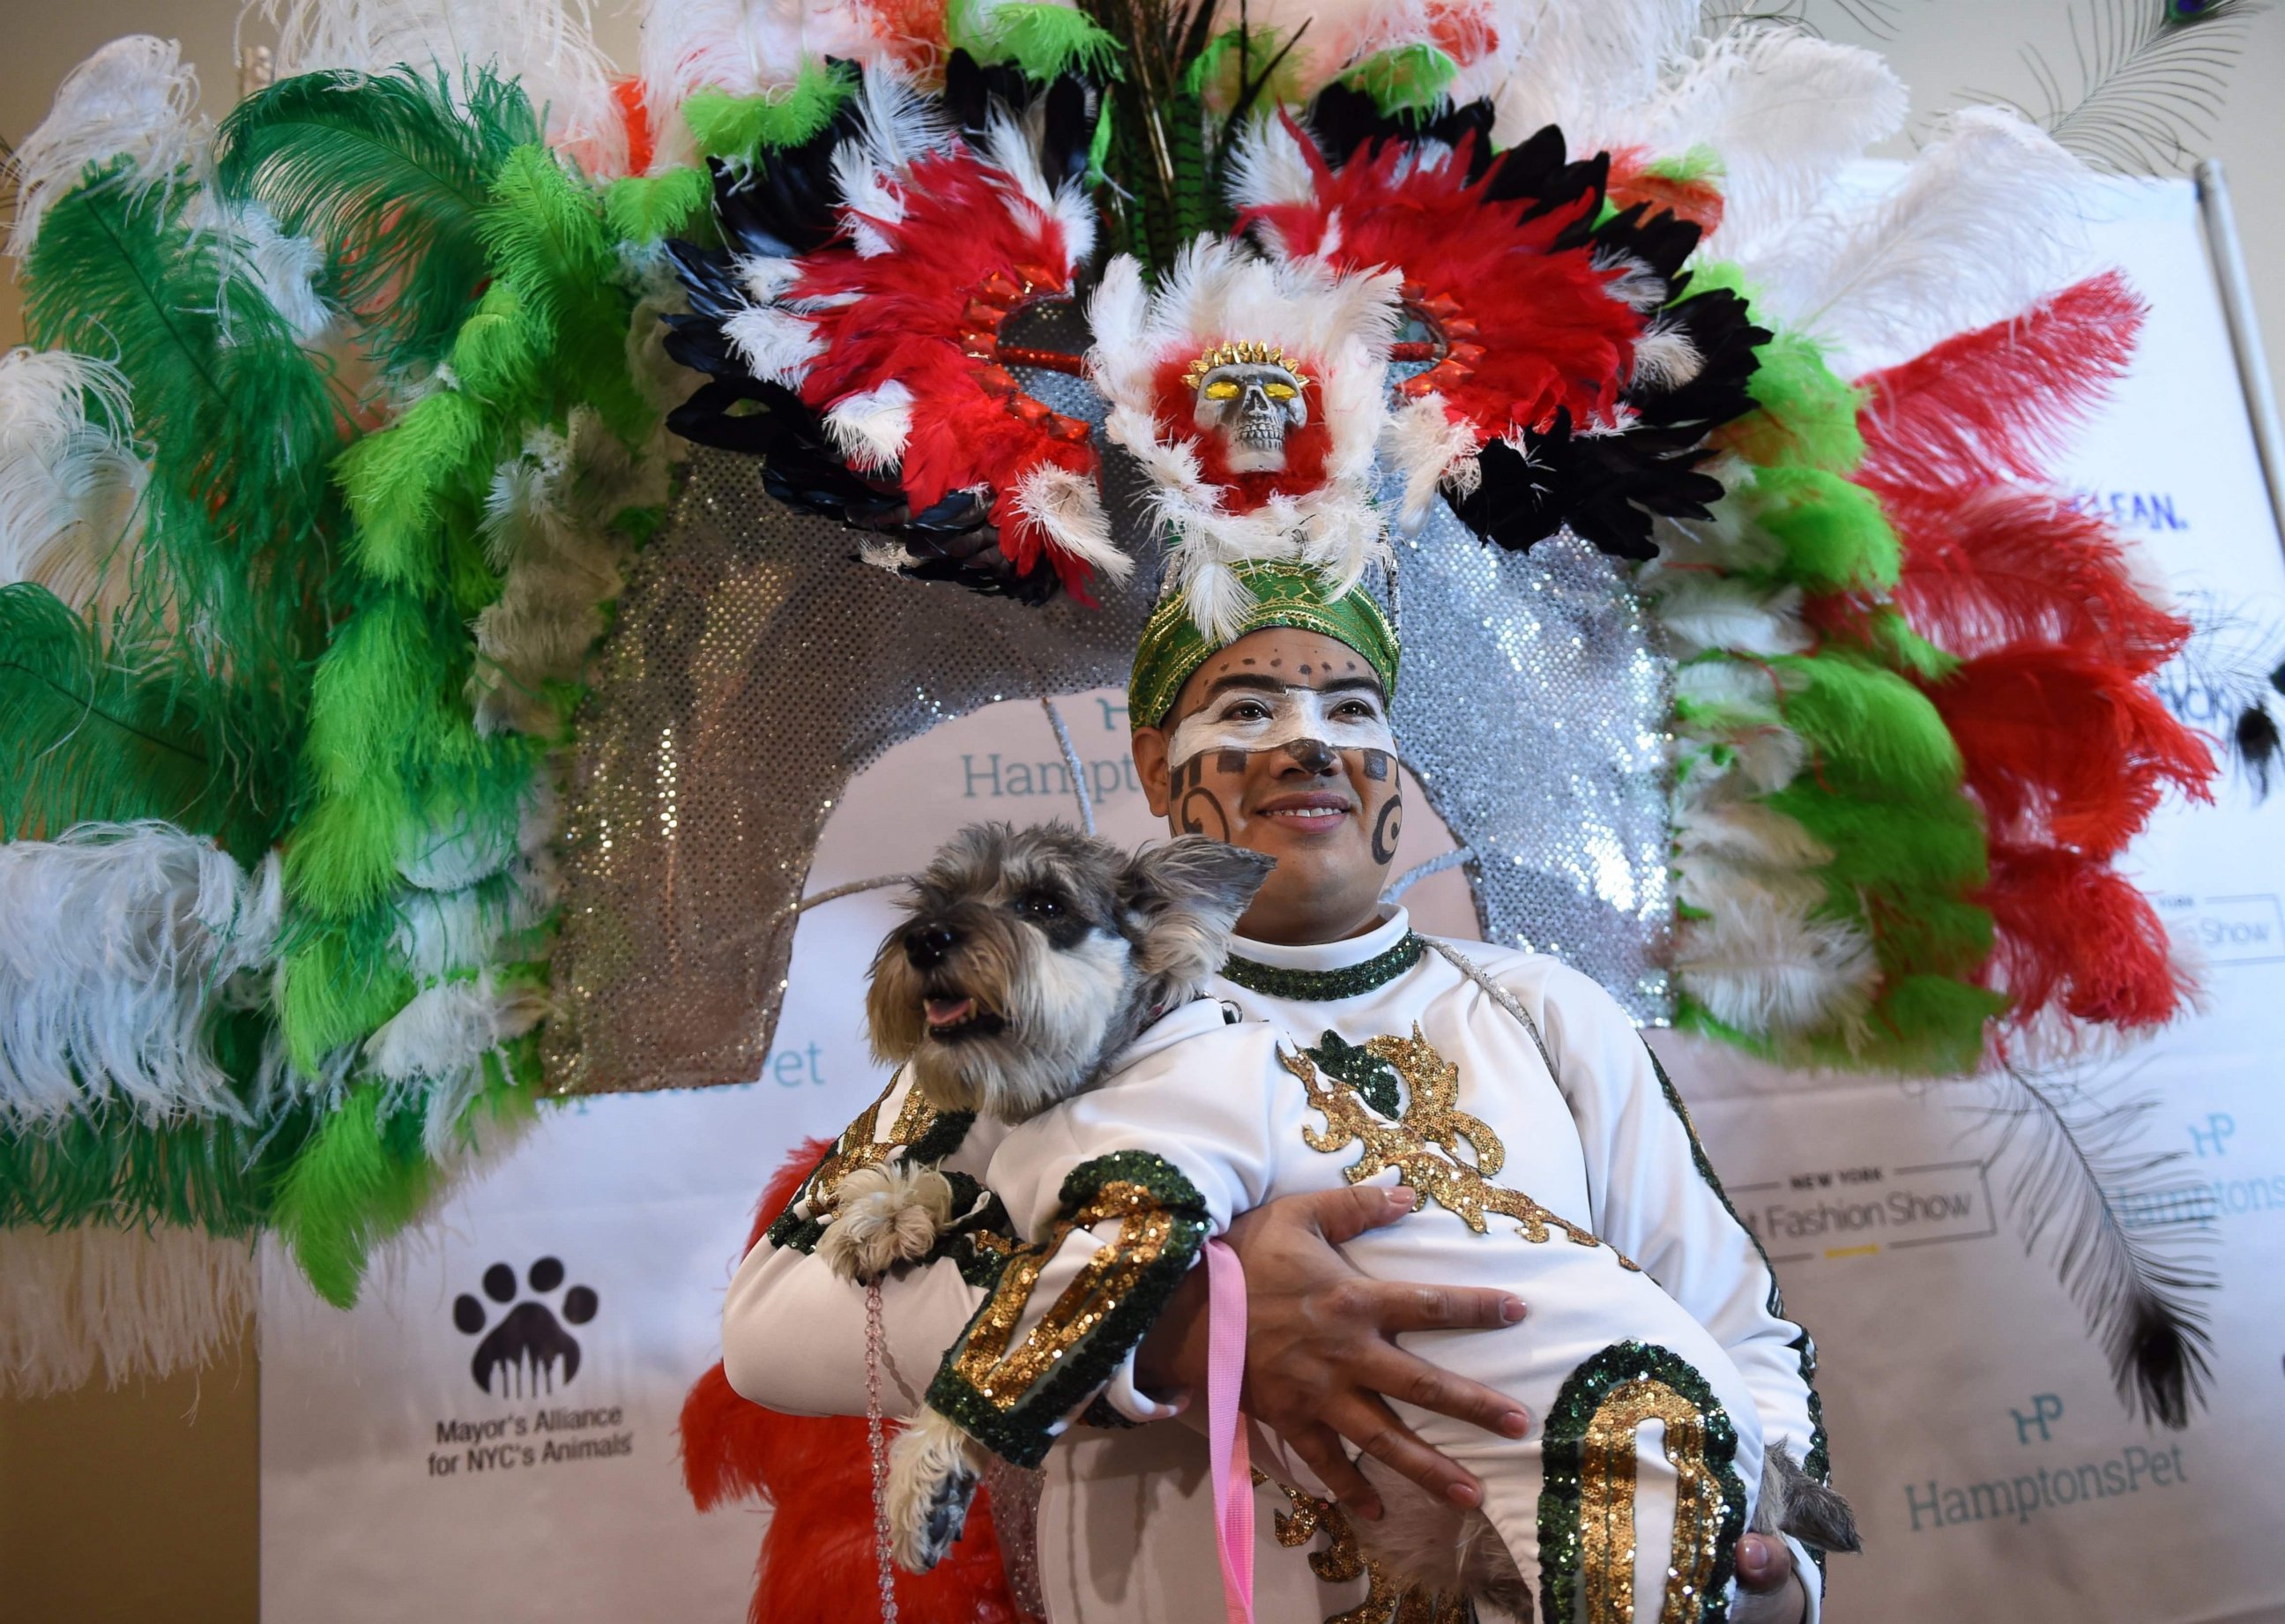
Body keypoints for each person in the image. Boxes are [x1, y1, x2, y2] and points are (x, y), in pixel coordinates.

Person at [722, 565, 1827, 1622]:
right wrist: (1189, 1322)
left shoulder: (1543, 1011)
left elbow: (1737, 1331)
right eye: (1247, 713)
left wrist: (1770, 1584)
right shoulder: (1044, 1030)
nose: (1309, 747)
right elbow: (772, 1331)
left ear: (1397, 762)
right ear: (1158, 768)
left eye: (1352, 710)